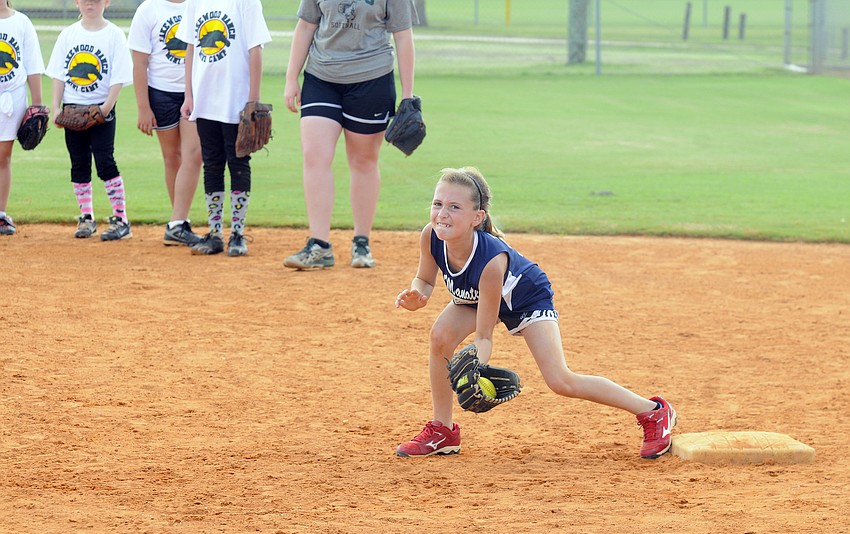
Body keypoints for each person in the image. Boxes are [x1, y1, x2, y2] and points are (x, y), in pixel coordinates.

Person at [394, 167, 677, 458]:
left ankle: (653, 411)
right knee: (440, 336)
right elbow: (425, 280)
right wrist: (420, 295)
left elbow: (484, 336)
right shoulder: (431, 236)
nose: (443, 213)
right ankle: (443, 431)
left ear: (477, 218)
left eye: (455, 207)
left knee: (560, 380)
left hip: (525, 297)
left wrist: (474, 366)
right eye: (438, 204)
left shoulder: (491, 260)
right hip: (476, 296)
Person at [282, 0, 418, 270]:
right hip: (321, 77)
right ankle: (319, 245)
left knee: (363, 161)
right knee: (314, 156)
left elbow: (403, 36)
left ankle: (361, 242)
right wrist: (290, 77)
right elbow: (306, 25)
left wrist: (407, 96)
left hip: (372, 79)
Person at [176, 0, 271, 257]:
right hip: (205, 99)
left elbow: (256, 48)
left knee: (238, 161)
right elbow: (191, 49)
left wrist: (253, 100)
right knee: (212, 163)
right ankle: (215, 233)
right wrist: (189, 95)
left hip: (236, 100)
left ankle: (238, 234)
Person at [46, 0, 134, 241]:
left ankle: (121, 219)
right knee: (78, 162)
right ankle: (86, 217)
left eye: (95, 0)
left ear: (106, 2)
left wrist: (105, 108)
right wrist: (56, 107)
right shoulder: (68, 35)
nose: (89, 4)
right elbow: (58, 74)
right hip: (73, 108)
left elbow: (119, 76)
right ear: (76, 2)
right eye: (84, 0)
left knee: (105, 161)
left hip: (100, 110)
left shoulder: (114, 34)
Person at [128, 0, 203, 247]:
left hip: (193, 90)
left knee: (193, 155)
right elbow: (139, 63)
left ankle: (177, 222)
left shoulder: (199, 5)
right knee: (172, 156)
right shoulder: (149, 9)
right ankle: (178, 223)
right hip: (161, 93)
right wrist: (143, 107)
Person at [0, 1, 44, 236]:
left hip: (12, 98)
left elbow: (32, 65)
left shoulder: (21, 22)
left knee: (3, 156)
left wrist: (37, 105)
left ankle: (0, 213)